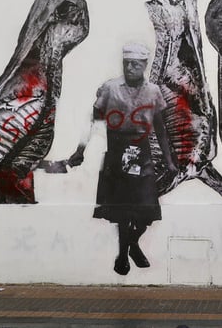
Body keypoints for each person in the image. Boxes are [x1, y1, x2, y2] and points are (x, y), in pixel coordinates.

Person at [69, 42, 178, 275]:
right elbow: (94, 120)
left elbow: (161, 130)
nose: (129, 68)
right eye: (126, 63)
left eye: (135, 64)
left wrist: (169, 161)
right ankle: (122, 256)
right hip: (117, 153)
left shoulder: (153, 92)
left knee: (147, 211)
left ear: (144, 65)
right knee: (122, 211)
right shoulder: (110, 88)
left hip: (142, 154)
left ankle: (133, 243)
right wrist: (81, 150)